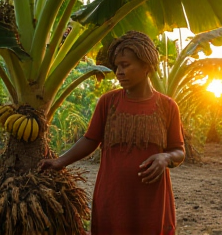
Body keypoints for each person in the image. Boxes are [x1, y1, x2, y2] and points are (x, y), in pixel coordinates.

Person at [38, 30, 185, 235]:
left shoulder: (168, 106)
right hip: (113, 198)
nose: (119, 72)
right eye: (117, 66)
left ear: (146, 66)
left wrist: (165, 157)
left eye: (125, 65)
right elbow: (90, 140)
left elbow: (179, 151)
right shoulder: (108, 102)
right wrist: (60, 161)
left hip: (151, 201)